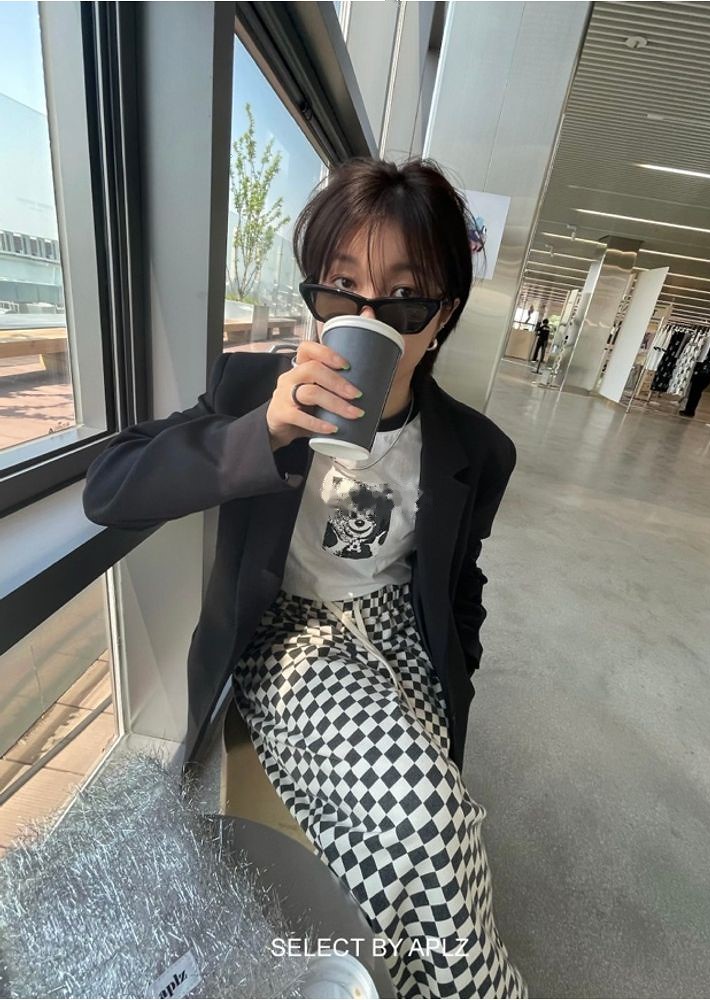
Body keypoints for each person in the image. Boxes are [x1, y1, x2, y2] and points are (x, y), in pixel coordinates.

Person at [81, 158, 525, 999]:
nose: (366, 318)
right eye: (342, 288)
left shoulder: (476, 449)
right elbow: (110, 489)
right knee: (432, 822)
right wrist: (265, 431)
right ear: (314, 294)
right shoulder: (254, 386)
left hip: (398, 634)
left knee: (401, 842)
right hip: (292, 635)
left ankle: (371, 977)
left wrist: (456, 666)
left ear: (442, 318)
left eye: (405, 297)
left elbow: (460, 580)